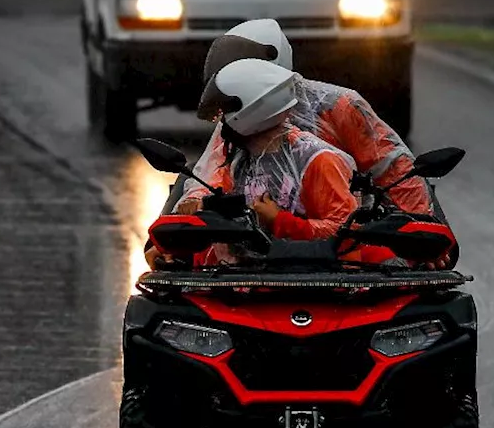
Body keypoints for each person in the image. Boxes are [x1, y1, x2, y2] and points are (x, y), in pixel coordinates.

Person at [174, 19, 457, 266]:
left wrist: (424, 237)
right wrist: (188, 214)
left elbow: (394, 170)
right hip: (256, 246)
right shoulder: (238, 122)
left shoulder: (339, 107)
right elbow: (207, 177)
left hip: (342, 247)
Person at [175, 58, 358, 265]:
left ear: (253, 109)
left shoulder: (317, 161)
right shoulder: (237, 159)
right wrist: (195, 209)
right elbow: (217, 199)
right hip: (244, 279)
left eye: (225, 112)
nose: (222, 122)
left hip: (313, 280)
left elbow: (346, 233)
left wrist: (281, 221)